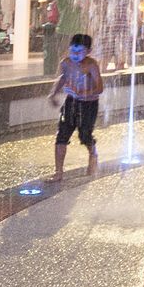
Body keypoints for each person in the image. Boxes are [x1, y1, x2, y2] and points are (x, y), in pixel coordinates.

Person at [47, 32, 103, 179]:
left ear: (88, 52)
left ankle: (93, 154)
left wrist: (86, 92)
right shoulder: (65, 63)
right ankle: (58, 172)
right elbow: (63, 78)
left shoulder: (91, 65)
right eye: (73, 51)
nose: (75, 55)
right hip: (71, 102)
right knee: (62, 135)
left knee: (84, 135)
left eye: (80, 52)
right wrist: (53, 94)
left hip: (89, 104)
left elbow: (100, 88)